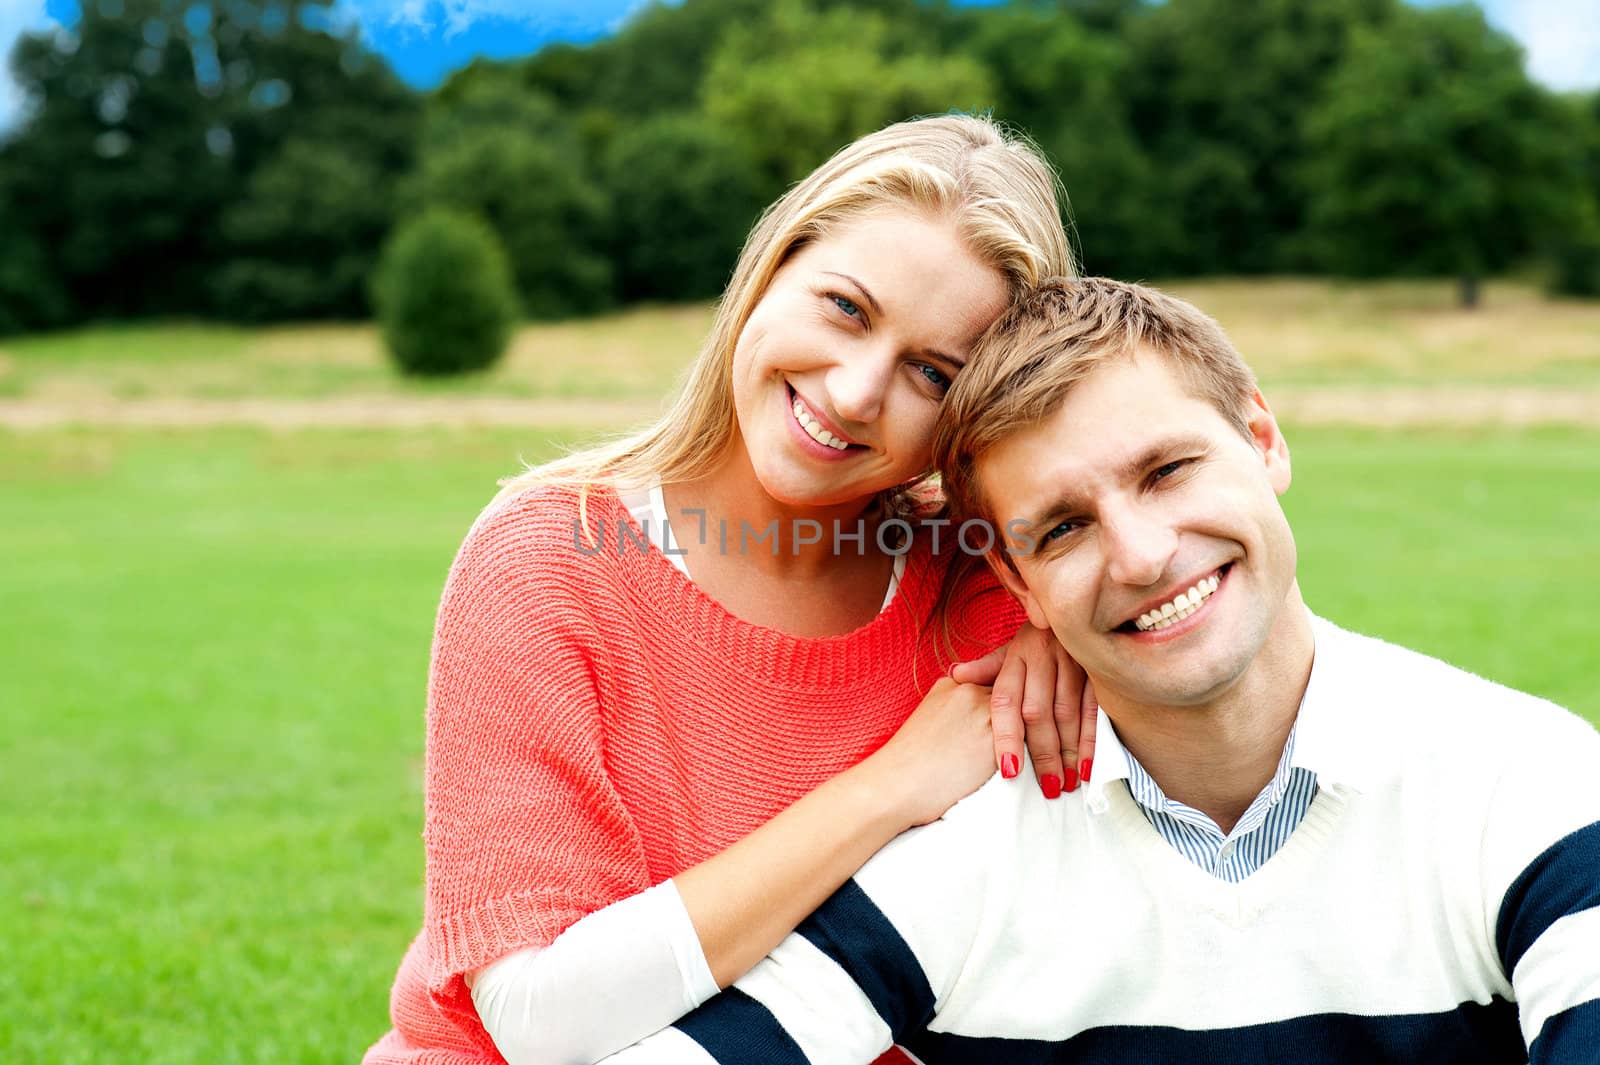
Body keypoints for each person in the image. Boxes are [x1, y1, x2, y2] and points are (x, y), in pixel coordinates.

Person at [601, 277, 1600, 1064]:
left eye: (1167, 471)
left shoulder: (1521, 789)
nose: (1138, 555)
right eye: (1064, 527)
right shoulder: (969, 858)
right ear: (1013, 580)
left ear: (1261, 439)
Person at [361, 115, 1102, 1065]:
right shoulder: (545, 558)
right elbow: (542, 1019)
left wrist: (1076, 631)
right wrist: (891, 786)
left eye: (932, 372)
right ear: (772, 269)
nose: (855, 390)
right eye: (845, 307)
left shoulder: (983, 590)